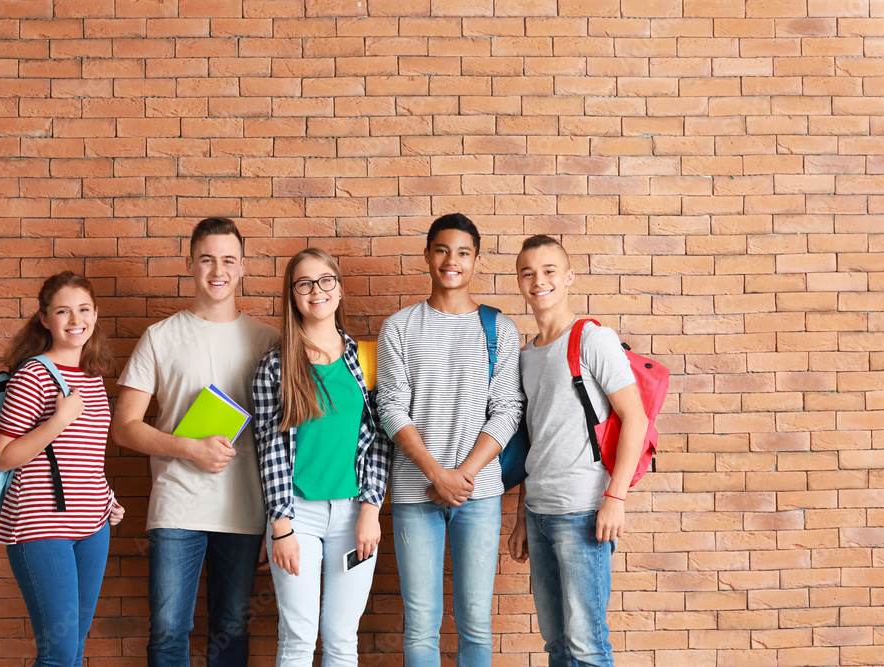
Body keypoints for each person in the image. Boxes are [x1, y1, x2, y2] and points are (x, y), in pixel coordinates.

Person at [110, 217, 279, 667]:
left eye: (227, 260)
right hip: (177, 506)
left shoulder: (270, 341)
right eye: (206, 259)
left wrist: (279, 521)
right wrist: (190, 448)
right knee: (168, 631)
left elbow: (286, 436)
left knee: (231, 628)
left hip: (246, 510)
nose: (217, 270)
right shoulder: (160, 337)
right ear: (190, 264)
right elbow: (124, 426)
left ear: (243, 267)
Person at [376, 213, 524, 666]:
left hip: (477, 494)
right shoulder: (398, 327)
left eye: (463, 252)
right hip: (413, 492)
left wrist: (462, 476)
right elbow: (390, 408)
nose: (451, 261)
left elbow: (507, 410)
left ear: (476, 260)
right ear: (427, 255)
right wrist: (436, 474)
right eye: (442, 250)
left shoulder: (500, 329)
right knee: (420, 621)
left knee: (476, 619)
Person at [508, 235, 648, 667]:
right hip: (540, 513)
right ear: (520, 282)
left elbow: (636, 419)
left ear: (568, 277)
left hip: (584, 512)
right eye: (528, 272)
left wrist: (615, 498)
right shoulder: (527, 356)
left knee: (587, 646)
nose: (539, 280)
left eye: (549, 270)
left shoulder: (592, 338)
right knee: (557, 644)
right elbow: (534, 439)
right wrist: (521, 517)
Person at [252, 248, 392, 666]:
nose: (317, 290)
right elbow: (269, 449)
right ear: (293, 295)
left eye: (325, 280)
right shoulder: (275, 366)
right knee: (298, 636)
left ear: (340, 288)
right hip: (297, 515)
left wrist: (371, 510)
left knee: (341, 638)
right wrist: (280, 527)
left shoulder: (365, 359)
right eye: (304, 283)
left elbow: (380, 440)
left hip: (354, 516)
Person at [0, 270, 125, 667]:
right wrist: (57, 420)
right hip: (40, 525)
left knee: (75, 650)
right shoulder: (32, 374)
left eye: (83, 309)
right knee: (59, 655)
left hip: (92, 524)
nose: (75, 320)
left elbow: (83, 455)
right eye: (63, 311)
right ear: (45, 319)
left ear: (96, 313)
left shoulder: (92, 377)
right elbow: (4, 455)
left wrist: (106, 497)